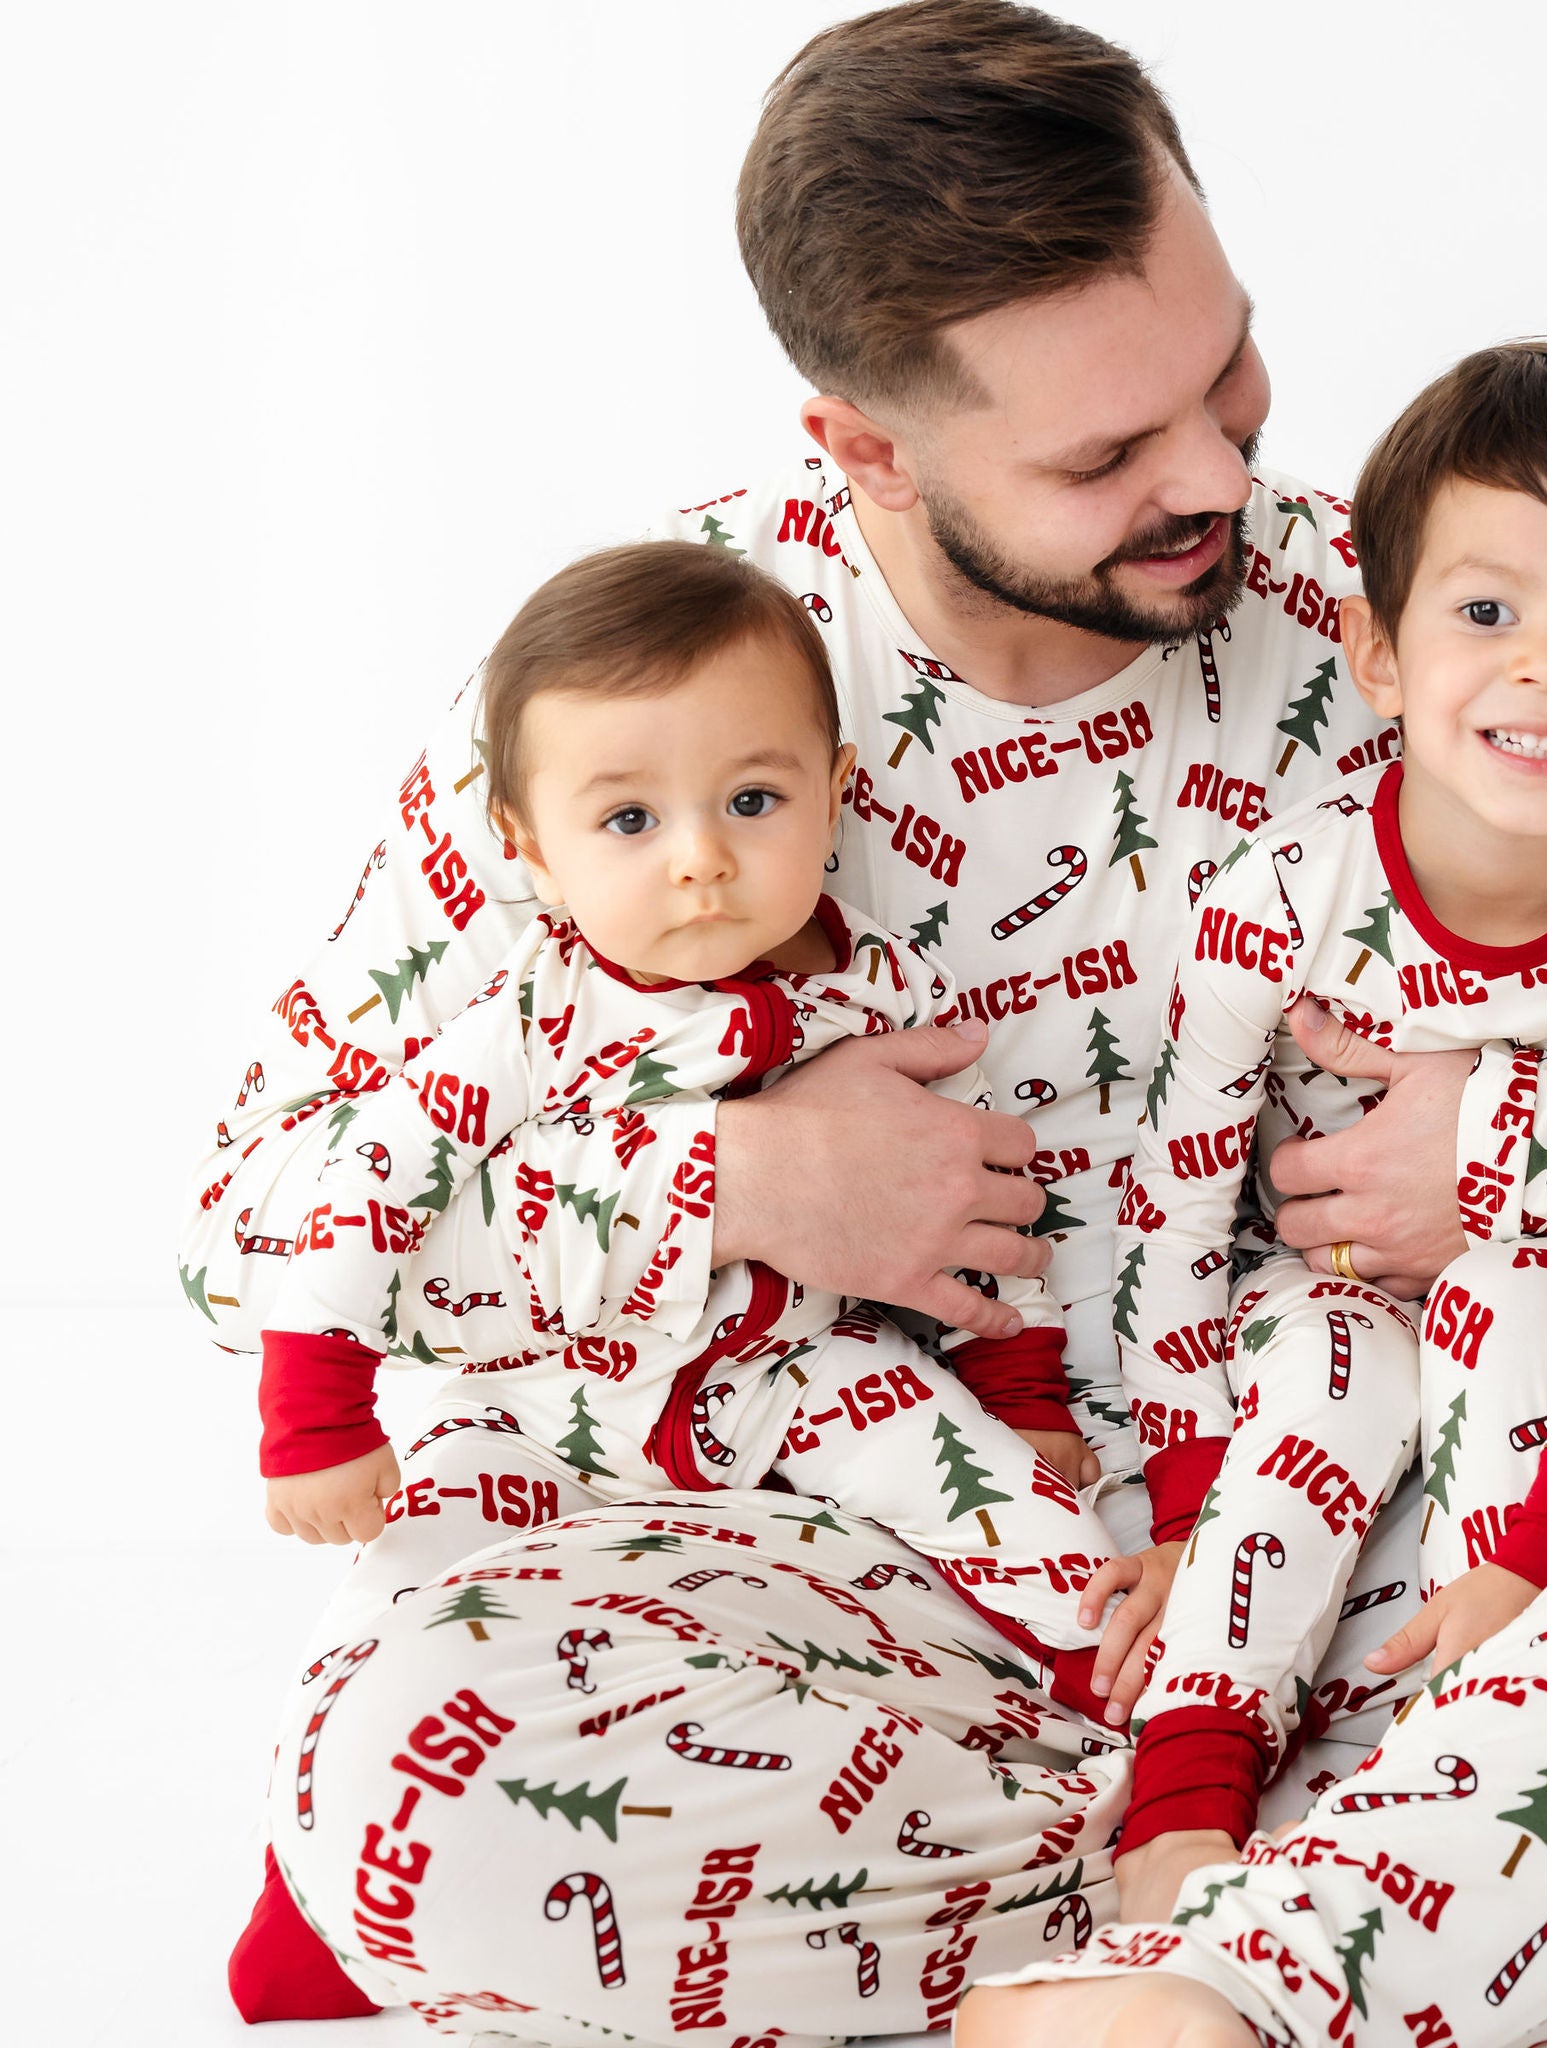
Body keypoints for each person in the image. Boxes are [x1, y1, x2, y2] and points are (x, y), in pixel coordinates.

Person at [187, 6, 1547, 2043]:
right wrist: (730, 1180)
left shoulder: (1401, 607)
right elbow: (245, 1235)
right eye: (1103, 452)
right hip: (881, 1614)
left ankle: (1231, 1961)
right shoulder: (645, 685)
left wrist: (1510, 1146)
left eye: (1226, 369)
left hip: (1361, 1548)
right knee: (402, 1768)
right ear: (866, 446)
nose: (1222, 476)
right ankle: (1486, 1867)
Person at [1079, 340, 1547, 1921]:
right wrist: (1188, 1502)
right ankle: (1187, 1795)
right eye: (1484, 615)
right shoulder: (1282, 897)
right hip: (1306, 1313)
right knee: (1342, 1359)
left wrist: (1539, 1550)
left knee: (1511, 1294)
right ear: (1377, 652)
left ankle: (1475, 1773)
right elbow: (1179, 1205)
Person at [257, 538, 1115, 1686]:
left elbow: (975, 1189)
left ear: (834, 793)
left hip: (803, 1374)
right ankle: (324, 1863)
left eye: (751, 800)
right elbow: (374, 1178)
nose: (701, 859)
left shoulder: (880, 989)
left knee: (1040, 1533)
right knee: (402, 1629)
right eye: (628, 821)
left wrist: (1019, 1390)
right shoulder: (537, 1014)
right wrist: (316, 1412)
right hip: (543, 1398)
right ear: (531, 851)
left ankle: (1120, 1732)